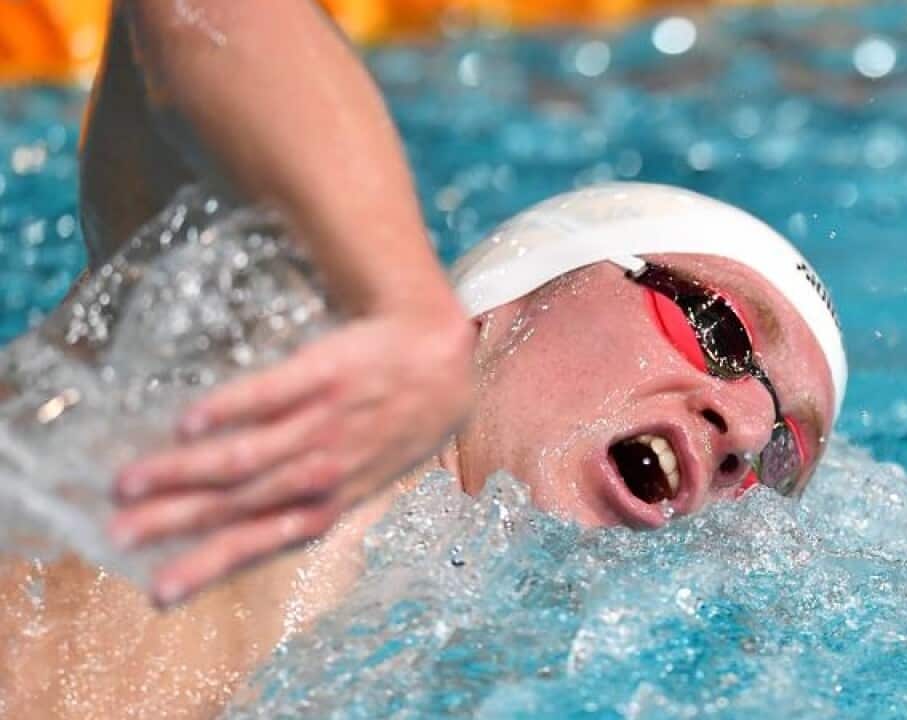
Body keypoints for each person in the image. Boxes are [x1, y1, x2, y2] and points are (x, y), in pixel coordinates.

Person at [0, 1, 845, 717]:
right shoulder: (271, 361)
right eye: (721, 329)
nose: (744, 425)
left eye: (782, 455)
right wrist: (401, 302)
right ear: (511, 302)